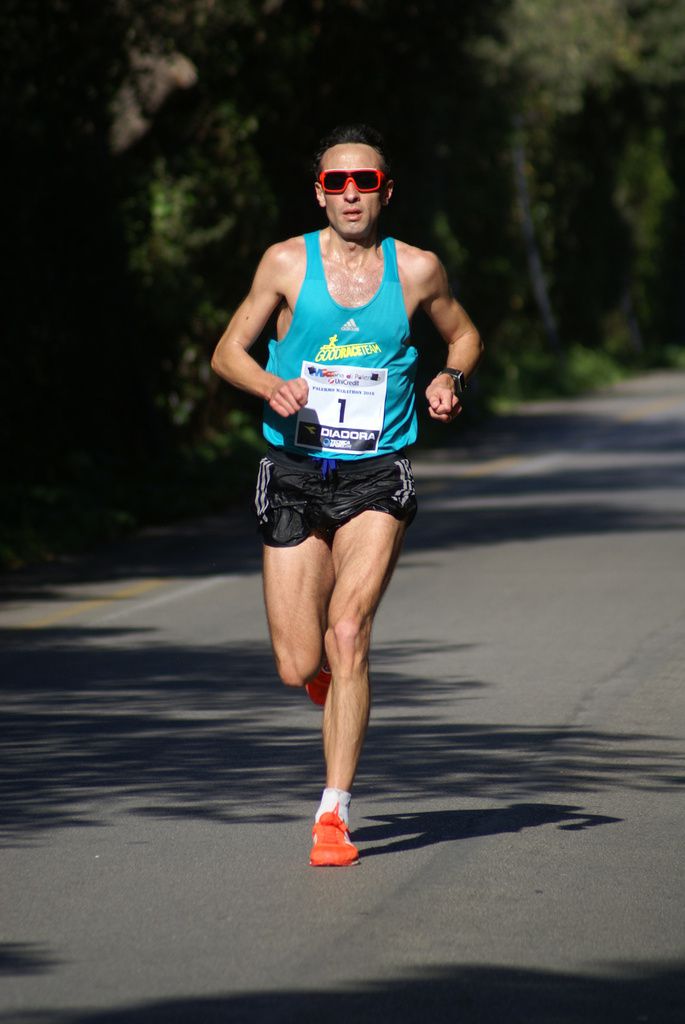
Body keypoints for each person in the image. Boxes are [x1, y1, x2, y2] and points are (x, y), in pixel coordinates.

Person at [211, 124, 483, 867]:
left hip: (376, 471)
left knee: (349, 630)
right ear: (319, 193)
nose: (351, 194)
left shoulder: (418, 270)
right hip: (295, 471)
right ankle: (331, 685)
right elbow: (226, 351)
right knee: (299, 665)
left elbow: (463, 337)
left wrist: (446, 377)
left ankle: (333, 813)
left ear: (385, 191)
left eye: (365, 182)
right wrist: (270, 384)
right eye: (337, 183)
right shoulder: (285, 263)